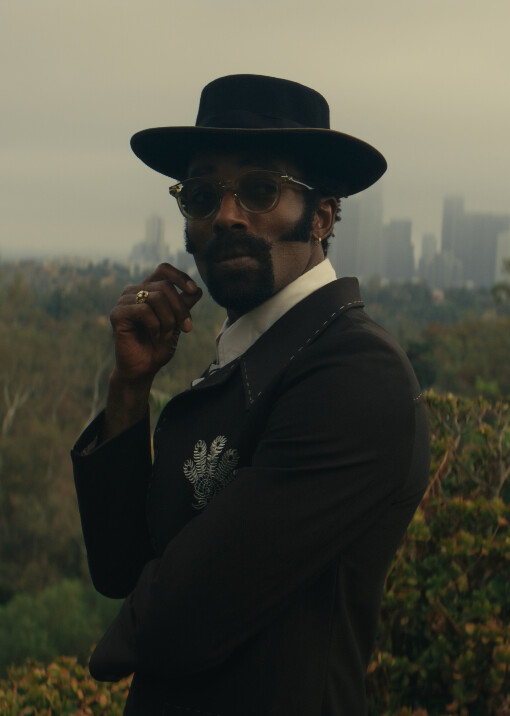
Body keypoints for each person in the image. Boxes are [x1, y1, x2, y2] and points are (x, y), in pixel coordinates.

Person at [72, 74, 430, 716]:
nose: (227, 215)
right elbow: (121, 568)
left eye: (261, 190)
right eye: (202, 195)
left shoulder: (353, 372)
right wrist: (129, 389)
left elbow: (181, 618)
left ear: (321, 215)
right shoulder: (247, 360)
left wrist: (121, 637)